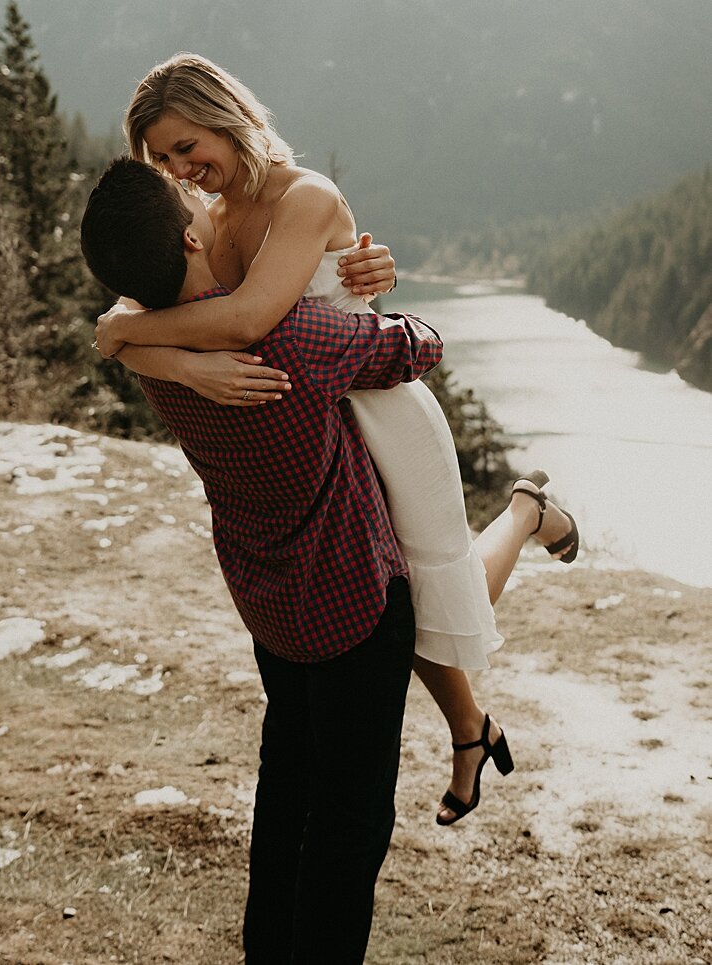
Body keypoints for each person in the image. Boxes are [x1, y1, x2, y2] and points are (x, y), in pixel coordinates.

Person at [95, 53, 580, 825]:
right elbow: (164, 313)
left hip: (377, 409)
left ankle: (525, 511)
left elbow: (252, 320)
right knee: (399, 617)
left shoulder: (307, 198)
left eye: (188, 147)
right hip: (312, 427)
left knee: (432, 601)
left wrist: (130, 333)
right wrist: (172, 360)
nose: (181, 169)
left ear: (226, 116)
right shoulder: (202, 220)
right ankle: (470, 730)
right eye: (160, 159)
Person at [81, 156, 446, 964]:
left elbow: (127, 319)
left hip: (272, 606)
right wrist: (371, 294)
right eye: (190, 194)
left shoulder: (156, 359)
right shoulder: (296, 339)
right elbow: (417, 348)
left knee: (285, 802)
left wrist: (140, 335)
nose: (206, 194)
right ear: (187, 233)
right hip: (355, 605)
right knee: (348, 832)